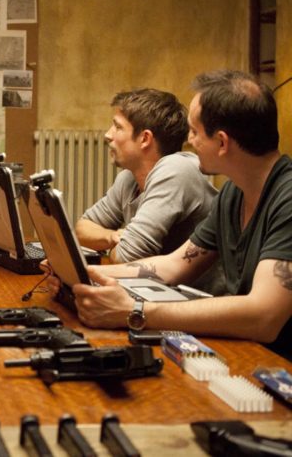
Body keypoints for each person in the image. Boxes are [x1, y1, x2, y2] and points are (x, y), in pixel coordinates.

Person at [51, 70, 291, 360]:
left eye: (195, 132)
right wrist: (82, 272)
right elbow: (174, 265)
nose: (188, 140)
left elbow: (264, 316)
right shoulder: (233, 194)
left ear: (222, 142)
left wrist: (135, 311)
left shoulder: (287, 198)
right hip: (248, 349)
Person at [75, 89, 222, 292]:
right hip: (160, 292)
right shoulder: (129, 178)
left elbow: (126, 256)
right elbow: (81, 229)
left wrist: (116, 246)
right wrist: (113, 237)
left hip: (203, 301)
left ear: (145, 138)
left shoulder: (176, 170)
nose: (108, 135)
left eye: (118, 127)